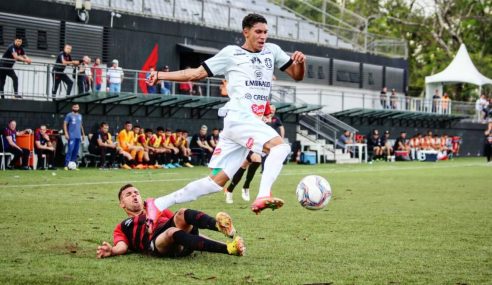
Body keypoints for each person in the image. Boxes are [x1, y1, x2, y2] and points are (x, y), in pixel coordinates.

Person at [146, 13, 305, 214]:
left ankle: (158, 203)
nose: (263, 36)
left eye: (265, 32)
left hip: (244, 124)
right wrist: (160, 75)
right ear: (245, 32)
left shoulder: (272, 51)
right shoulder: (231, 53)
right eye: (258, 32)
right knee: (280, 148)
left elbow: (297, 76)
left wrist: (300, 62)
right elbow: (195, 74)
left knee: (216, 182)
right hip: (239, 117)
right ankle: (263, 195)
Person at [96, 184, 245, 259]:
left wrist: (219, 241)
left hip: (183, 242)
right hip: (156, 245)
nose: (134, 196)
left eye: (136, 193)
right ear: (122, 203)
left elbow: (183, 224)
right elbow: (121, 246)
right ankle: (228, 250)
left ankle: (219, 226)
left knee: (181, 213)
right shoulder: (122, 226)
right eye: (128, 195)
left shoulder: (156, 208)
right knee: (171, 232)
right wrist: (112, 250)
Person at [63, 103, 85, 170]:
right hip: (72, 135)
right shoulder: (69, 115)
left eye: (77, 107)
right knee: (70, 150)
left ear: (78, 108)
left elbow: (81, 125)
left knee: (76, 151)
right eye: (75, 107)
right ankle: (66, 165)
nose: (76, 108)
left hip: (78, 136)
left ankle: (72, 166)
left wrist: (83, 134)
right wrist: (66, 133)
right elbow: (64, 124)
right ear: (72, 107)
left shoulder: (80, 116)